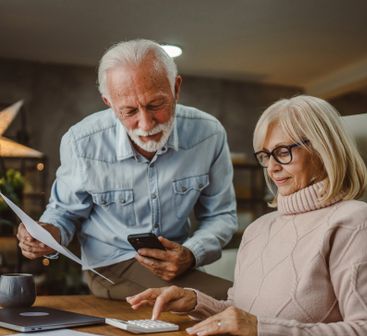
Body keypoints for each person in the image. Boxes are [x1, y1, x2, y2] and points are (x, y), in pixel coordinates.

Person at [127, 95, 367, 336]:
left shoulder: (355, 221)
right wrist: (195, 301)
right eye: (265, 156)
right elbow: (241, 314)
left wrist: (260, 328)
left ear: (324, 149)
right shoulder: (258, 229)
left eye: (283, 152)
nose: (271, 168)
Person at [16, 39, 237, 300]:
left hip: (179, 267)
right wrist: (46, 235)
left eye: (156, 105)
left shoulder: (208, 134)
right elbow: (64, 213)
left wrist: (191, 253)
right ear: (108, 103)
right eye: (129, 111)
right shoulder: (81, 142)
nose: (146, 123)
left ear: (176, 88)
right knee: (228, 299)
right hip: (110, 266)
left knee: (238, 299)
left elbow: (222, 215)